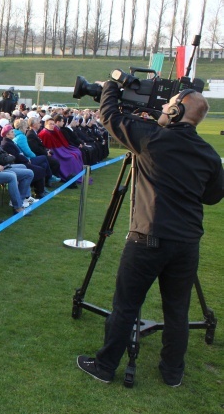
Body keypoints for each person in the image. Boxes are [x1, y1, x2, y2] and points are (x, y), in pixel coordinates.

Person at [77, 82, 224, 387]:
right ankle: (172, 373)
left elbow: (109, 117)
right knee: (177, 310)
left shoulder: (153, 138)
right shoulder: (209, 154)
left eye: (169, 103)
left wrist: (111, 88)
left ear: (175, 110)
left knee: (126, 305)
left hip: (147, 237)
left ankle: (105, 366)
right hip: (187, 242)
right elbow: (212, 197)